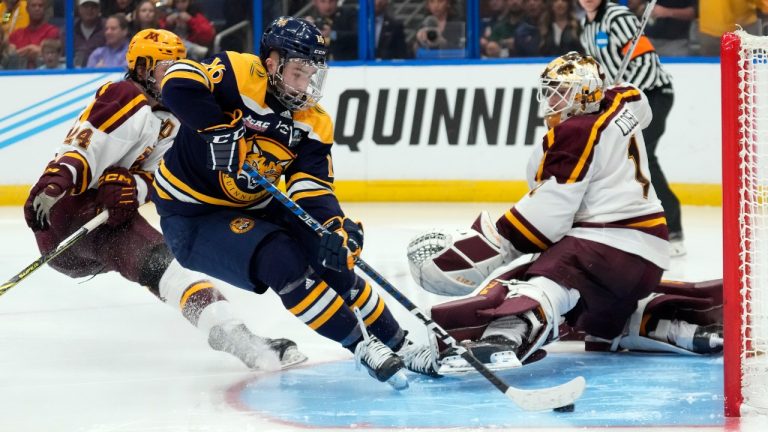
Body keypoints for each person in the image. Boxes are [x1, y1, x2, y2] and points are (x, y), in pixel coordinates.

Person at [153, 16, 439, 388]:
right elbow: (176, 81)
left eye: (311, 74)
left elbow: (311, 185)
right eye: (298, 72)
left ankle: (400, 343)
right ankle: (360, 345)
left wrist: (334, 228)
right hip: (192, 214)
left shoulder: (312, 121)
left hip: (255, 203)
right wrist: (217, 129)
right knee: (281, 260)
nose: (305, 85)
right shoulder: (238, 72)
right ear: (272, 62)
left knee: (332, 260)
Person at [406, 52, 723, 374]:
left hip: (607, 246)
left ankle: (505, 337)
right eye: (551, 89)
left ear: (584, 93)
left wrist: (495, 243)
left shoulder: (574, 133)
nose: (552, 97)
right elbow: (638, 98)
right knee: (595, 316)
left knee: (536, 282)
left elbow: (547, 216)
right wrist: (607, 91)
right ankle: (664, 325)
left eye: (560, 90)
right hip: (649, 254)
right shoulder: (621, 101)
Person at [24, 28, 305, 372]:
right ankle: (240, 338)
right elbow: (84, 144)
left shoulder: (176, 117)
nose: (174, 73)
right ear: (142, 68)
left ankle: (241, 339)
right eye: (165, 66)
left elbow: (158, 179)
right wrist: (55, 182)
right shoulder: (124, 94)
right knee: (164, 263)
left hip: (107, 226)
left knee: (169, 272)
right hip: (67, 220)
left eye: (179, 65)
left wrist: (132, 190)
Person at [578, 0, 683, 256]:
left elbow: (647, 63)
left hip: (653, 95)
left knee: (642, 153)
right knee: (623, 158)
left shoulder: (619, 17)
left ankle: (673, 229)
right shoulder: (586, 26)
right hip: (625, 102)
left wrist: (622, 95)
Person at [8, 0, 59, 69]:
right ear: (27, 9)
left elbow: (52, 53)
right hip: (19, 75)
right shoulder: (5, 8)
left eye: (40, 6)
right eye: (33, 6)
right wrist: (9, 10)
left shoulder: (52, 31)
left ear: (44, 9)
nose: (37, 8)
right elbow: (4, 22)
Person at [73, 0, 105, 67]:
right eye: (86, 6)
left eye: (93, 6)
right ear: (79, 9)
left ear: (99, 9)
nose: (89, 9)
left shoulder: (107, 28)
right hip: (74, 73)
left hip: (101, 71)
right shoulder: (69, 29)